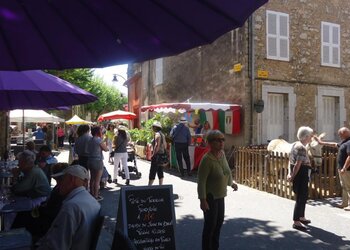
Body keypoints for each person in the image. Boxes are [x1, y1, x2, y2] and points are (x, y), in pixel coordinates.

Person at [36, 165, 101, 250]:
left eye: (61, 179)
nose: (58, 184)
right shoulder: (92, 201)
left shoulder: (71, 206)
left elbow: (56, 246)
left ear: (72, 179)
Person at [197, 130, 238, 250]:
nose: (221, 142)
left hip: (221, 196)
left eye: (223, 139)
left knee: (218, 224)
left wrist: (231, 183)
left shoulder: (222, 155)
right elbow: (201, 181)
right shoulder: (206, 160)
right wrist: (202, 200)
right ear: (210, 142)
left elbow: (226, 171)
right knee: (210, 226)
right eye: (218, 140)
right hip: (210, 197)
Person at [11, 163, 69, 242]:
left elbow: (53, 211)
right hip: (45, 213)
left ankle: (15, 240)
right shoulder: (59, 188)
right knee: (22, 214)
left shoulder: (62, 190)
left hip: (48, 221)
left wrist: (40, 210)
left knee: (22, 217)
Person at [315, 127, 350, 210]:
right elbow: (335, 144)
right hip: (342, 169)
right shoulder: (344, 141)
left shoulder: (349, 142)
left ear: (344, 133)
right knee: (344, 186)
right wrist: (321, 142)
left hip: (347, 170)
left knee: (348, 187)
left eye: (340, 134)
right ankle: (345, 203)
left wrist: (344, 168)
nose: (339, 136)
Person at [287, 126, 314, 230]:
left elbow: (290, 160)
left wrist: (290, 173)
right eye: (310, 136)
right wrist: (292, 176)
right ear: (306, 136)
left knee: (303, 196)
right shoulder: (301, 147)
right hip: (301, 172)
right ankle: (296, 221)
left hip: (300, 172)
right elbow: (298, 164)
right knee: (300, 197)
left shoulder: (295, 144)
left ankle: (301, 217)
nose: (311, 138)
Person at [87, 126, 108, 201]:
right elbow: (106, 149)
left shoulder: (90, 140)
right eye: (100, 131)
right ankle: (96, 196)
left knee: (92, 179)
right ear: (97, 132)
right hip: (98, 161)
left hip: (90, 160)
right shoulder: (98, 140)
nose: (101, 132)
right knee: (97, 180)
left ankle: (92, 194)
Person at [148, 121, 167, 186]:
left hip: (157, 155)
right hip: (161, 154)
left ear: (155, 127)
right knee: (160, 170)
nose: (152, 128)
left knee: (153, 171)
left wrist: (153, 155)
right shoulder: (162, 134)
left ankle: (149, 186)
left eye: (153, 127)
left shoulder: (157, 134)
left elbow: (157, 145)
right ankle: (160, 185)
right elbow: (165, 145)